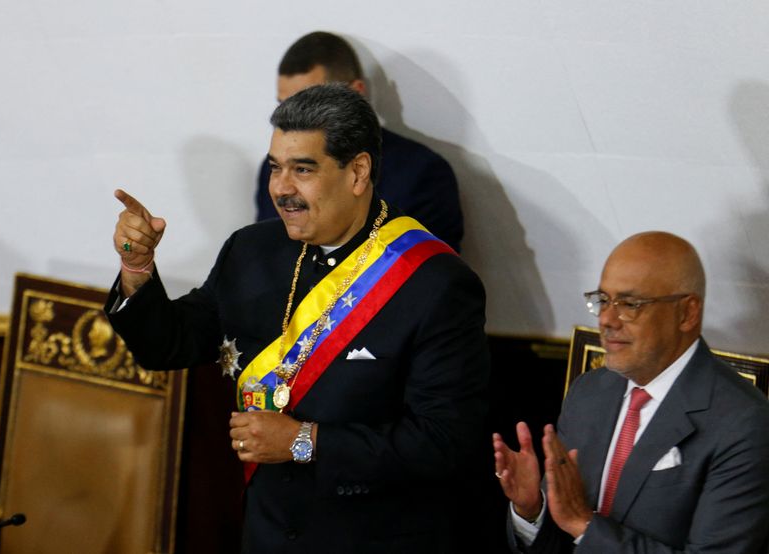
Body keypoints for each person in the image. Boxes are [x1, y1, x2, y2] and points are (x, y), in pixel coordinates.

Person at [106, 84, 490, 553]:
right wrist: (137, 268)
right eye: (275, 168)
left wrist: (305, 443)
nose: (281, 189)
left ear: (358, 172)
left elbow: (444, 443)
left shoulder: (434, 283)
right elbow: (168, 344)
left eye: (303, 170)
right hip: (266, 535)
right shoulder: (250, 250)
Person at [493, 231, 769, 553]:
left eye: (630, 304)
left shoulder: (744, 424)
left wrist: (584, 524)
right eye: (603, 300)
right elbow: (565, 536)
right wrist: (533, 511)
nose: (607, 320)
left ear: (687, 313)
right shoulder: (589, 392)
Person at [254, 31, 465, 252]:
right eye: (284, 105)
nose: (293, 117)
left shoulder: (422, 174)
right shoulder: (273, 172)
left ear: (356, 92)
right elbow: (264, 259)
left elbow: (430, 274)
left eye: (312, 102)